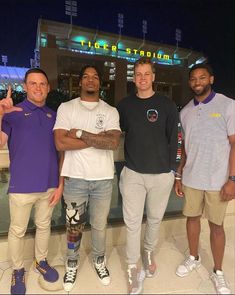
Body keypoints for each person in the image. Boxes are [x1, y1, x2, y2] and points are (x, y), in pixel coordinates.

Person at [53, 65, 121, 292]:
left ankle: (99, 259)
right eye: (86, 77)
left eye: (95, 77)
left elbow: (112, 143)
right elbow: (60, 143)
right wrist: (97, 139)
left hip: (102, 180)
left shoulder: (110, 111)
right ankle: (71, 263)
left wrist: (80, 134)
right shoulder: (67, 107)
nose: (90, 80)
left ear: (100, 83)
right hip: (75, 179)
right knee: (74, 226)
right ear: (80, 82)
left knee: (100, 226)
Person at [117, 57, 181, 294]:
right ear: (134, 78)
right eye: (138, 74)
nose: (142, 78)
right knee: (132, 224)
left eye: (147, 74)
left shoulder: (167, 105)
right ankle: (133, 267)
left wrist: (174, 171)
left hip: (161, 174)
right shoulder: (124, 106)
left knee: (154, 219)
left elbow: (175, 139)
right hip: (133, 173)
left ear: (153, 77)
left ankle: (148, 251)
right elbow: (114, 133)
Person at [0, 68, 64, 295]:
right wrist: (0, 113)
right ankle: (18, 270)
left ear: (48, 88)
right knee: (17, 230)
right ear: (25, 87)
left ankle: (41, 261)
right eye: (33, 83)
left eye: (42, 84)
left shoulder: (54, 115)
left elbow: (60, 151)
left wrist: (60, 183)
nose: (38, 88)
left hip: (48, 184)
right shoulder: (12, 113)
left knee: (44, 225)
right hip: (21, 186)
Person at [174, 63, 235, 295]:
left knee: (217, 226)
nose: (197, 82)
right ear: (189, 83)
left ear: (211, 79)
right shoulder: (185, 111)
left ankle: (218, 272)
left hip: (218, 180)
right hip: (191, 178)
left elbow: (234, 144)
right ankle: (193, 257)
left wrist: (232, 179)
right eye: (193, 78)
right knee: (191, 220)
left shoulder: (228, 105)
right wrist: (179, 175)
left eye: (202, 77)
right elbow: (185, 149)